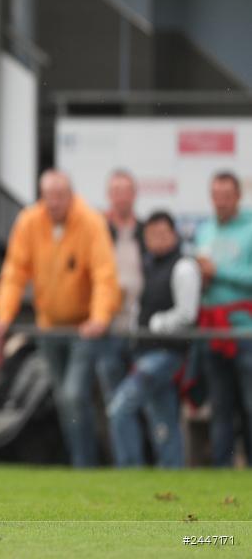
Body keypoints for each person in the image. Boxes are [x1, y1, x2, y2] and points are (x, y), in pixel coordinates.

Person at [0, 170, 121, 467]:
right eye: (48, 196)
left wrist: (99, 317)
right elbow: (14, 273)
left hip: (83, 328)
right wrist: (3, 315)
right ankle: (78, 462)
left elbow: (104, 274)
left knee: (74, 394)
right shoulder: (29, 221)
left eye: (60, 196)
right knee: (63, 398)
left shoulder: (91, 222)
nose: (54, 203)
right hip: (48, 327)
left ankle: (85, 463)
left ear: (70, 195)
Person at [107, 211, 200, 468]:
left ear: (174, 235)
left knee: (120, 407)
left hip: (167, 353)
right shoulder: (149, 264)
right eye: (151, 235)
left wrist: (156, 324)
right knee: (163, 418)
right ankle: (172, 470)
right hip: (145, 350)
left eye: (162, 234)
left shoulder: (184, 267)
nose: (157, 240)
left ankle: (130, 469)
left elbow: (188, 314)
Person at [194, 171, 252, 467]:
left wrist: (218, 272)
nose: (221, 202)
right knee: (220, 406)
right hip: (212, 332)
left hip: (245, 333)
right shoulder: (204, 230)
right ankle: (221, 470)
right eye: (216, 196)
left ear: (238, 197)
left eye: (227, 196)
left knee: (250, 406)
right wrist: (200, 278)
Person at [98, 170, 145, 408]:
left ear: (134, 195)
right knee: (114, 399)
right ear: (109, 195)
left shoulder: (146, 231)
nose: (121, 197)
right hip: (108, 327)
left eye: (126, 191)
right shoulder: (98, 231)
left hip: (141, 328)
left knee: (143, 397)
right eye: (116, 192)